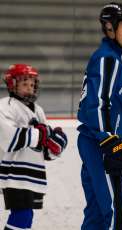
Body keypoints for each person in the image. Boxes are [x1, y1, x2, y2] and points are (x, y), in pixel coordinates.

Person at [77, 2, 122, 229]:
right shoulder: (108, 59)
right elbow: (99, 102)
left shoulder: (111, 59)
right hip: (106, 146)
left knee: (97, 215)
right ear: (109, 28)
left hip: (94, 143)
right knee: (118, 216)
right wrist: (109, 140)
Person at [0, 63, 68, 230]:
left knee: (26, 217)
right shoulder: (5, 106)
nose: (29, 88)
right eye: (24, 84)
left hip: (33, 175)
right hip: (14, 173)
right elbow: (9, 138)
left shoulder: (38, 110)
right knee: (22, 216)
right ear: (12, 85)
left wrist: (56, 146)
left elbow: (45, 149)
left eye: (32, 84)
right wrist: (42, 135)